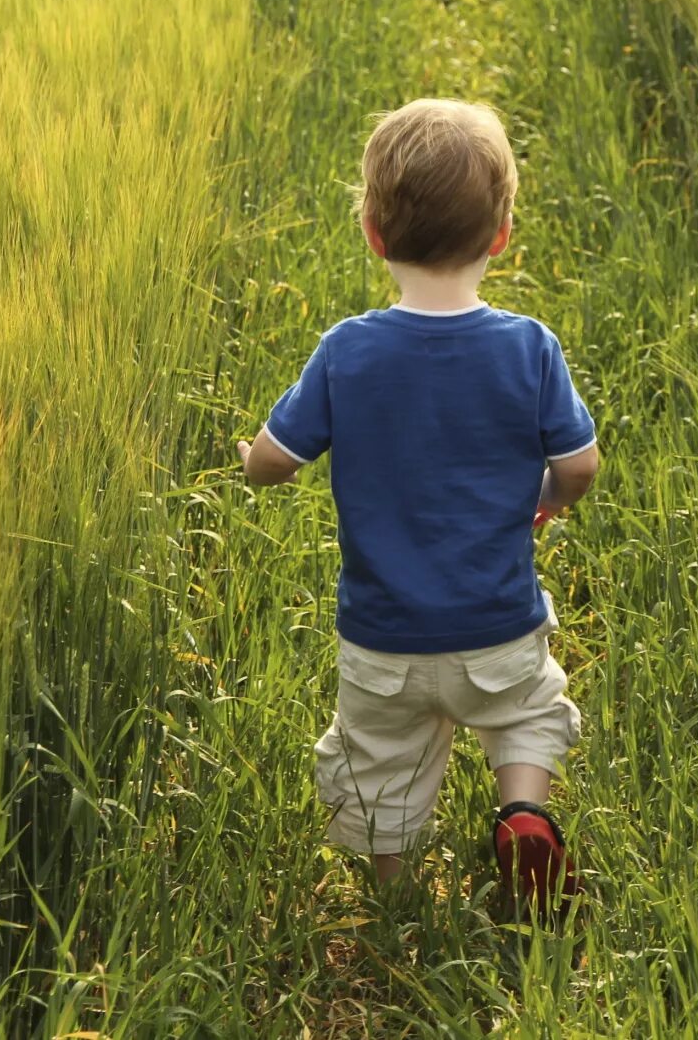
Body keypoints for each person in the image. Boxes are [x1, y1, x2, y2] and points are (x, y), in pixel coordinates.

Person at [237, 98, 600, 914]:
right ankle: (523, 811)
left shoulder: (347, 351)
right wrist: (546, 499)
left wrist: (248, 461)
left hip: (384, 640)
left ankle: (397, 907)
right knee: (527, 711)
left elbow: (272, 463)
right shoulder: (529, 346)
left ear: (372, 232)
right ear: (502, 235)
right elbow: (579, 465)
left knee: (380, 764)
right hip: (497, 625)